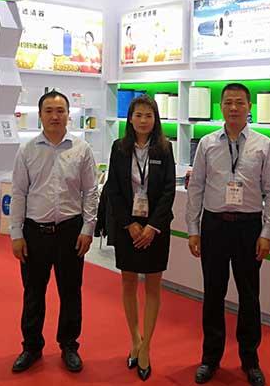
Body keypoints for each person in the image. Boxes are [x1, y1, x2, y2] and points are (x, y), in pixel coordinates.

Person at [186, 83, 270, 386]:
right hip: (214, 225)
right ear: (221, 106)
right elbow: (196, 187)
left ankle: (250, 360)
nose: (233, 108)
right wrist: (193, 229)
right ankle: (210, 358)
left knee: (249, 296)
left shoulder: (263, 144)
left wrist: (266, 232)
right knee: (213, 294)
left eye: (239, 102)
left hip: (248, 227)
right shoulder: (207, 143)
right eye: (228, 102)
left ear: (249, 107)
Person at [8, 90, 99, 374]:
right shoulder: (27, 150)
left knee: (71, 292)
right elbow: (19, 193)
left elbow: (91, 192)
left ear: (68, 115)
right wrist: (16, 234)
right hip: (35, 232)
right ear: (40, 115)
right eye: (49, 111)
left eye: (60, 111)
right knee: (33, 292)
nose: (55, 116)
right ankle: (31, 347)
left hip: (71, 231)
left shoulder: (82, 149)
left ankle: (69, 345)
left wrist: (88, 228)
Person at [104, 95, 176, 381]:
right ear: (130, 118)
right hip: (128, 227)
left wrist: (152, 226)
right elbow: (113, 189)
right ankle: (135, 339)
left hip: (155, 228)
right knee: (128, 282)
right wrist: (129, 224)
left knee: (153, 287)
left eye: (149, 115)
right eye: (138, 115)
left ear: (155, 119)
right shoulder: (119, 148)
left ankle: (146, 347)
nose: (143, 120)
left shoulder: (165, 148)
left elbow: (168, 191)